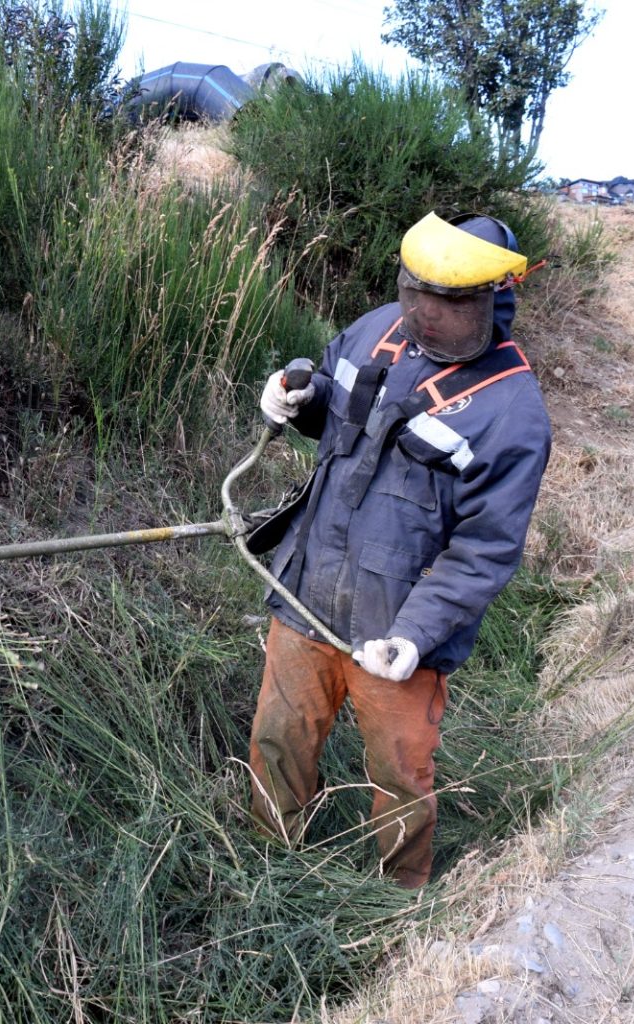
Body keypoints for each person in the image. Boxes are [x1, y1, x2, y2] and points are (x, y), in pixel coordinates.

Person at [247, 211, 552, 888]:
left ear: (494, 299)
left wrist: (415, 636)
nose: (425, 315)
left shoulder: (513, 414)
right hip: (307, 590)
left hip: (395, 631)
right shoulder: (377, 327)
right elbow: (332, 402)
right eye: (416, 293)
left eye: (449, 302)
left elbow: (484, 548)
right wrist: (298, 398)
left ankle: (399, 898)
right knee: (279, 739)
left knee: (399, 771)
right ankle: (269, 860)